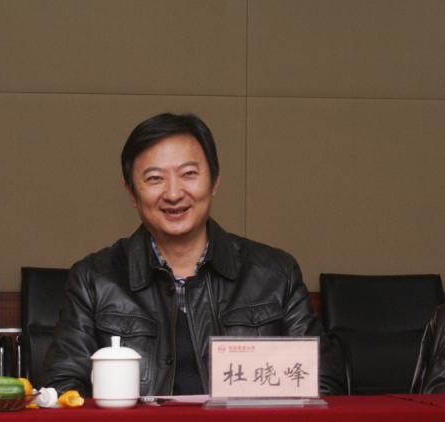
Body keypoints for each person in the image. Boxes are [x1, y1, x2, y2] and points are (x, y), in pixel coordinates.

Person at [41, 112, 345, 396]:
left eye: (188, 173)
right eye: (155, 178)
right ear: (132, 193)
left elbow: (323, 382)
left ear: (214, 181)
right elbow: (63, 386)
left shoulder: (275, 274)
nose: (173, 194)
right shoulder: (94, 279)